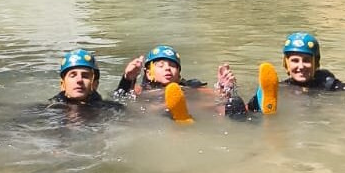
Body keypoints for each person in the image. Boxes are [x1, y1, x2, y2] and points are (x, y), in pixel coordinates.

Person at [114, 44, 278, 121]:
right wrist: (128, 78)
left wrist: (224, 87)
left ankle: (261, 105)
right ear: (148, 73)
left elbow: (218, 97)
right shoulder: (140, 89)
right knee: (165, 111)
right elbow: (121, 99)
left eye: (172, 65)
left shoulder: (189, 86)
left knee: (233, 103)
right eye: (160, 65)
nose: (167, 69)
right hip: (171, 117)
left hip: (196, 112)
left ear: (179, 74)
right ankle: (181, 115)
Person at [50, 48, 124, 109]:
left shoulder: (111, 109)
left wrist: (127, 80)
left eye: (85, 76)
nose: (79, 80)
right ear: (63, 85)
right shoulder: (47, 111)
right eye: (73, 75)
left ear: (95, 84)